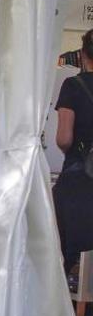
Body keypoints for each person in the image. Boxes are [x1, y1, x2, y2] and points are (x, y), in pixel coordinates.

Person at [54, 29, 93, 279]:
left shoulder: (72, 86)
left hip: (80, 178)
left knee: (72, 254)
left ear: (82, 55)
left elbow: (64, 138)